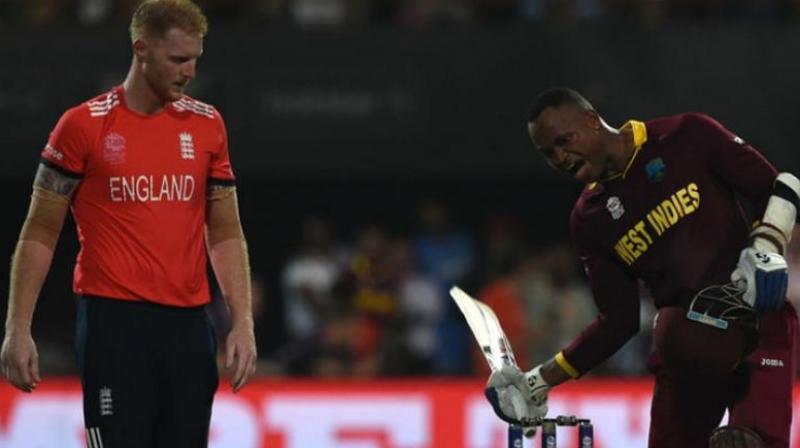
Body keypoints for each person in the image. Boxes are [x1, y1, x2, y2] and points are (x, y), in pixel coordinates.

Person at [0, 1, 257, 446]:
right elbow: (40, 229)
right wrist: (18, 328)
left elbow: (226, 230)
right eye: (178, 59)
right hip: (114, 325)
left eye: (195, 58)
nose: (190, 70)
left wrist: (243, 321)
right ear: (142, 50)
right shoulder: (82, 126)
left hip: (189, 327)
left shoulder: (207, 125)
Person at [484, 87, 799, 448]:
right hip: (686, 343)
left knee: (746, 443)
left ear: (591, 119)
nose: (559, 156)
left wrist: (766, 245)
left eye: (564, 140)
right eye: (548, 153)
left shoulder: (686, 134)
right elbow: (617, 322)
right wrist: (538, 381)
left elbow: (779, 187)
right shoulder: (589, 220)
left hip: (759, 320)